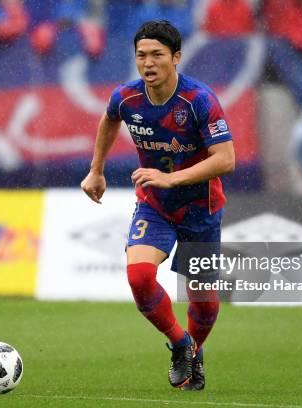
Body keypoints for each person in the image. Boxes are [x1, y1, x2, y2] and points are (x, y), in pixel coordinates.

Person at [80, 20, 235, 390]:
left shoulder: (198, 100)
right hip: (156, 206)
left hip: (202, 208)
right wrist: (96, 170)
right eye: (141, 55)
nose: (147, 63)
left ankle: (195, 351)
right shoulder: (128, 97)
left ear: (176, 57)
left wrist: (172, 177)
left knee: (204, 302)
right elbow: (109, 118)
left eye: (157, 55)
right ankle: (181, 345)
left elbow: (226, 158)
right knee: (138, 276)